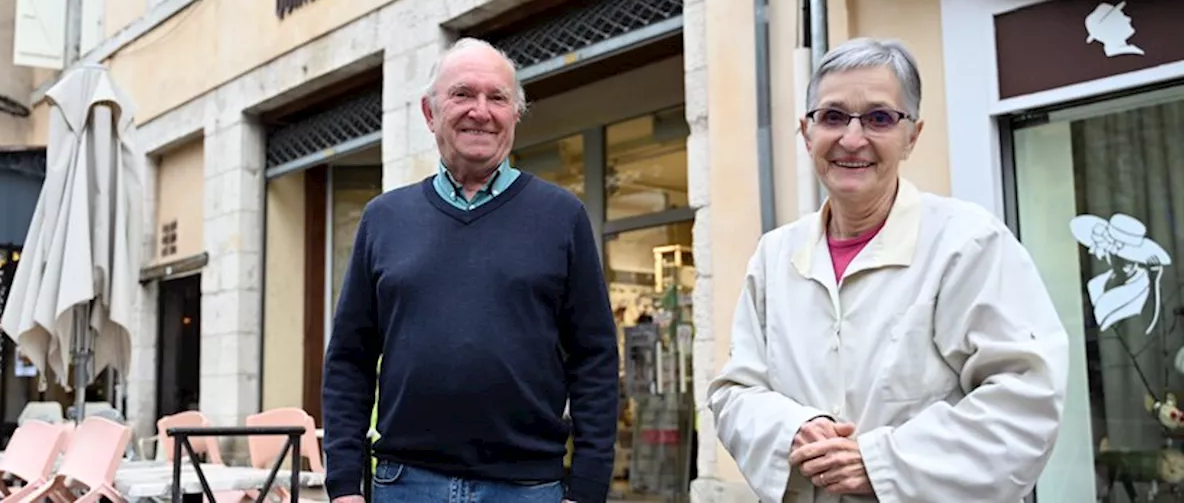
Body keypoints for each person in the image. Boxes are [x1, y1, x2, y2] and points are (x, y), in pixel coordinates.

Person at [708, 37, 1069, 502]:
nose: (852, 139)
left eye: (879, 118)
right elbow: (736, 391)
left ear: (912, 136)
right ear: (806, 133)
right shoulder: (774, 255)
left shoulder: (968, 243)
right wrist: (793, 429)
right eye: (833, 116)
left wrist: (880, 463)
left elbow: (1025, 401)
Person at [322, 37, 620, 503]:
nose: (480, 111)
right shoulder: (383, 219)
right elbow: (348, 359)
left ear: (514, 116)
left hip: (529, 488)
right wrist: (343, 484)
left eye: (497, 98)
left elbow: (595, 358)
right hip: (405, 485)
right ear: (429, 112)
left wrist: (588, 487)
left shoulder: (562, 217)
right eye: (462, 94)